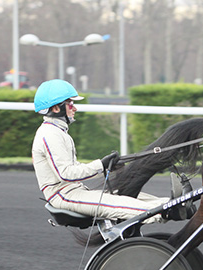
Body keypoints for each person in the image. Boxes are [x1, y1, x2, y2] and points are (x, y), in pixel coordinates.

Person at [31, 79, 187, 223]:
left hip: (74, 191)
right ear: (56, 108)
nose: (75, 108)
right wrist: (101, 165)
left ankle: (173, 203)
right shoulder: (50, 134)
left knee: (131, 196)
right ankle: (167, 210)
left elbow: (71, 170)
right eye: (70, 104)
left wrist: (106, 166)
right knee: (120, 203)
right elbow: (65, 174)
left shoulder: (57, 132)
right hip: (64, 195)